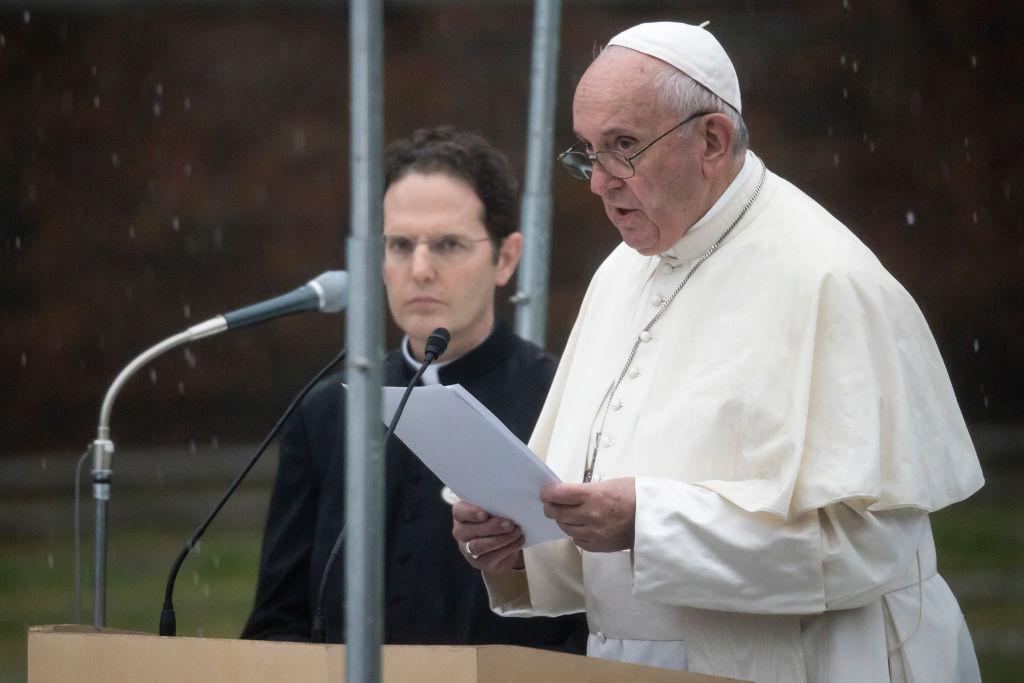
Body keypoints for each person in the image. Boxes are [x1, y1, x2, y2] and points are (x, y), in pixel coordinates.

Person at [452, 21, 984, 682]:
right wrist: (520, 540)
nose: (599, 182)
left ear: (712, 140)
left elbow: (863, 547)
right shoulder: (621, 273)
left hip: (814, 659)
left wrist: (648, 520)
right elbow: (588, 495)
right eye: (587, 152)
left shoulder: (828, 277)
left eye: (623, 148)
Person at [243, 126, 586, 651]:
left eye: (448, 244)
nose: (420, 270)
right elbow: (278, 622)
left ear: (506, 258)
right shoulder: (326, 411)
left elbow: (587, 619)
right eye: (400, 245)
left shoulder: (564, 400)